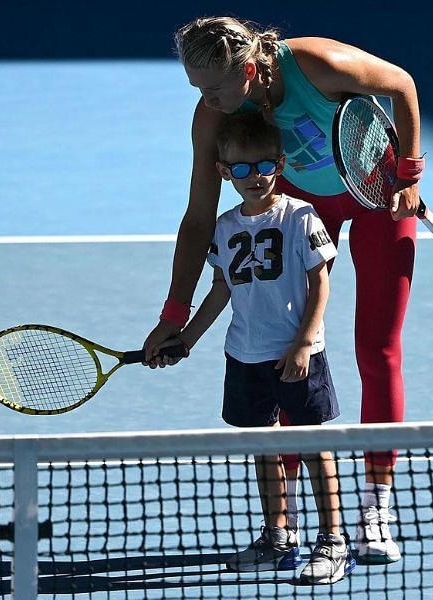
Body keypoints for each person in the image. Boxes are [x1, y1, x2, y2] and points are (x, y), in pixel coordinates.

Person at [146, 16, 419, 564]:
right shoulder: (212, 120)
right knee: (279, 349)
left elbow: (402, 84)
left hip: (377, 193)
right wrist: (174, 314)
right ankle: (284, 524)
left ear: (249, 70)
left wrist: (410, 174)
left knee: (378, 349)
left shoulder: (319, 64)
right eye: (197, 87)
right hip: (303, 204)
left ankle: (375, 506)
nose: (207, 100)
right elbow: (199, 221)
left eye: (215, 87)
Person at [155, 111, 351, 584]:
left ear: (280, 165)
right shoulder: (223, 228)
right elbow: (221, 291)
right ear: (224, 172)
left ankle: (333, 541)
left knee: (313, 447)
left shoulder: (301, 217)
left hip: (297, 353)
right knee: (263, 446)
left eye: (263, 165)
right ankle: (278, 533)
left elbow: (320, 283)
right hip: (244, 355)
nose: (254, 176)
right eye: (241, 169)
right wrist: (186, 338)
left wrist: (305, 341)